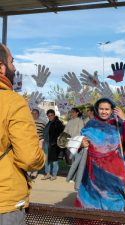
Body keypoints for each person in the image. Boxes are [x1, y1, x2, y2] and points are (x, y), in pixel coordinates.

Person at [0, 44, 45, 225]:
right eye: (12, 62)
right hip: (4, 201)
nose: (15, 68)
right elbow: (28, 158)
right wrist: (40, 156)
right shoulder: (12, 101)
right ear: (1, 66)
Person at [75, 98, 125, 211]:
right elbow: (81, 142)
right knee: (91, 201)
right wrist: (81, 144)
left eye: (107, 109)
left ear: (112, 110)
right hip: (92, 172)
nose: (104, 112)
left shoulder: (117, 124)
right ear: (97, 109)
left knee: (113, 202)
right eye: (101, 109)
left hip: (113, 173)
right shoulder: (90, 124)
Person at [42, 109, 64, 181]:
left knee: (54, 160)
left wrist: (55, 142)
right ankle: (47, 174)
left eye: (51, 115)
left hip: (54, 145)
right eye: (49, 116)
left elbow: (61, 134)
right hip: (46, 144)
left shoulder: (58, 123)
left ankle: (54, 175)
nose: (50, 117)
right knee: (46, 160)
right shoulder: (49, 123)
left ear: (54, 115)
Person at [29, 108, 46, 179]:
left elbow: (45, 132)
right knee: (29, 156)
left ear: (38, 114)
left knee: (37, 157)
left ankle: (35, 171)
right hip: (29, 142)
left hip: (39, 142)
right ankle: (29, 170)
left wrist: (42, 140)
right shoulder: (28, 122)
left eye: (36, 113)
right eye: (33, 113)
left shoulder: (42, 122)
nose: (34, 115)